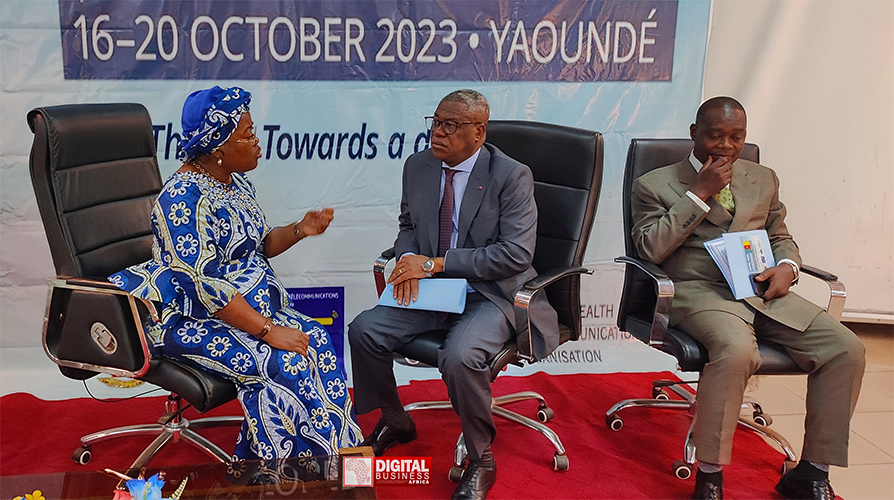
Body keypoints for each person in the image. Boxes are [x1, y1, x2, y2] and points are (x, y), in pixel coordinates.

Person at [109, 86, 362, 467]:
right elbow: (203, 287)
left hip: (250, 312)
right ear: (217, 147)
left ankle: (344, 464)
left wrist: (300, 229)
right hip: (192, 320)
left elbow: (259, 244)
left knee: (318, 342)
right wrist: (268, 331)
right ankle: (285, 476)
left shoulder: (235, 182)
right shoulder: (182, 200)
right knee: (285, 364)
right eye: (247, 134)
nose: (257, 141)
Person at [631, 96, 865, 500]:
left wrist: (787, 267)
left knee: (846, 348)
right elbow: (650, 249)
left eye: (736, 137)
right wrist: (698, 194)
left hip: (760, 289)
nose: (726, 146)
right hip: (699, 293)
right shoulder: (654, 183)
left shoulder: (762, 178)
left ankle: (811, 473)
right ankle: (710, 477)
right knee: (737, 351)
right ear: (694, 133)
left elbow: (780, 236)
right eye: (715, 136)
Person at [348, 89, 559, 500]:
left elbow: (515, 254)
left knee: (460, 356)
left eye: (451, 126)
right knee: (364, 330)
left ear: (478, 133)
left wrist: (434, 264)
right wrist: (408, 258)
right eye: (435, 122)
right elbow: (408, 224)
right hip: (434, 290)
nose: (437, 133)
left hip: (491, 292)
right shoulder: (418, 166)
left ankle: (481, 459)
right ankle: (395, 419)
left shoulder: (511, 175)